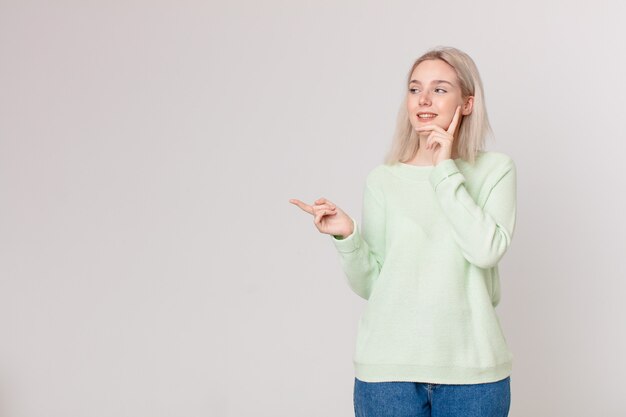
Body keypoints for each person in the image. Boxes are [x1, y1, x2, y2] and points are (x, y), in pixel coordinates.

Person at [289, 46, 516, 417]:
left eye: (440, 89)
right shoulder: (384, 179)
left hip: (474, 373)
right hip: (387, 374)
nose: (424, 99)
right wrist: (347, 238)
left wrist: (444, 170)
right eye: (414, 89)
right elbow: (373, 286)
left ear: (468, 103)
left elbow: (486, 250)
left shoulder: (496, 171)